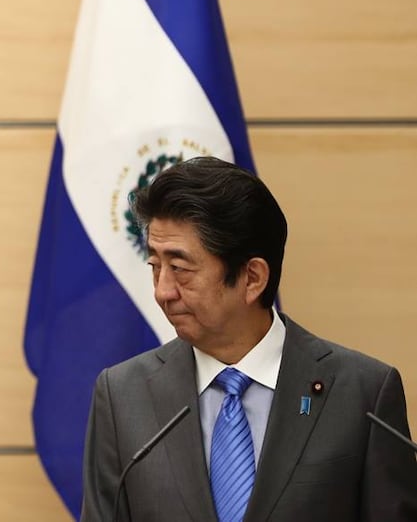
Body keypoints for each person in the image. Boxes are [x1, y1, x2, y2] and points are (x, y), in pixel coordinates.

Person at [81, 156, 417, 521]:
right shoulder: (122, 395)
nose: (163, 291)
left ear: (252, 278)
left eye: (179, 269)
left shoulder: (362, 393)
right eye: (155, 267)